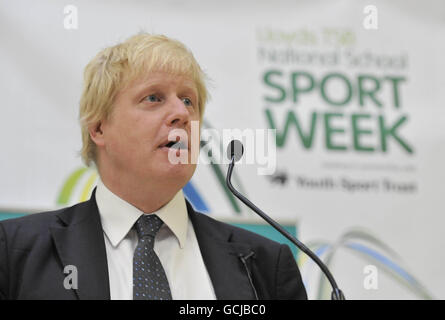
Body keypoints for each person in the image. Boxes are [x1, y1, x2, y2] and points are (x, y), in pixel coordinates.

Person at [0, 33, 307, 300]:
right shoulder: (15, 252)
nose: (181, 114)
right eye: (153, 98)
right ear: (99, 128)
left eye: (188, 101)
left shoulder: (266, 265)